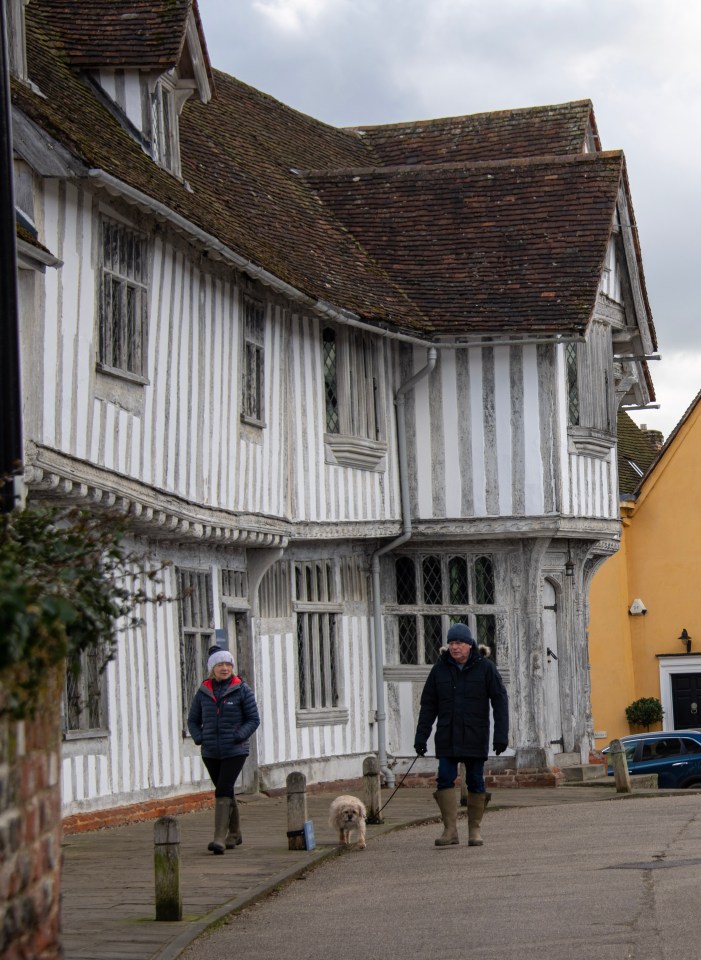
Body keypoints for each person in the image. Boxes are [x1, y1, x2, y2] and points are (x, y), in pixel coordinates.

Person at [414, 622, 508, 847]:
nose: (454, 647)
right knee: (445, 778)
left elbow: (500, 701)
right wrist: (421, 737)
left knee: (475, 780)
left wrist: (501, 736)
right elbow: (428, 705)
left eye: (459, 643)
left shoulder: (486, 668)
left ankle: (474, 830)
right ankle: (450, 831)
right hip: (447, 735)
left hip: (475, 735)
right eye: (451, 643)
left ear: (469, 645)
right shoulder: (439, 669)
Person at [187, 647, 260, 854]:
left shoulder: (242, 689)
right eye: (220, 665)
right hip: (210, 751)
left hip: (235, 750)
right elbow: (192, 720)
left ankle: (219, 838)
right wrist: (199, 737)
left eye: (228, 664)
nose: (225, 668)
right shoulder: (203, 691)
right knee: (226, 789)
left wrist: (238, 736)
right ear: (212, 668)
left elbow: (253, 719)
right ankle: (235, 834)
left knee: (222, 789)